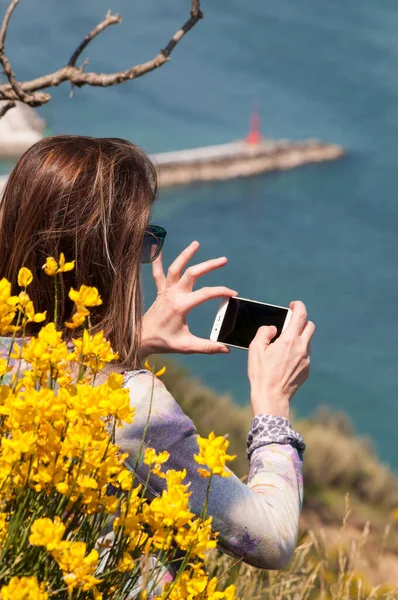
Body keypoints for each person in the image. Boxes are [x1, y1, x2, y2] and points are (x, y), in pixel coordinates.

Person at [0, 135, 315, 573]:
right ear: (108, 257)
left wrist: (132, 342)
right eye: (145, 241)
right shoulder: (135, 410)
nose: (149, 257)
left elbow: (60, 377)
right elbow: (272, 538)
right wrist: (273, 406)